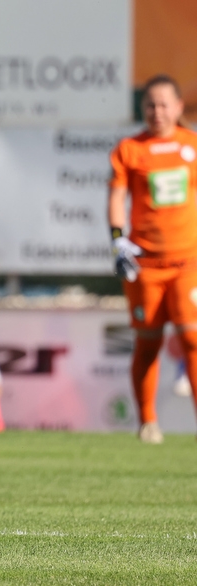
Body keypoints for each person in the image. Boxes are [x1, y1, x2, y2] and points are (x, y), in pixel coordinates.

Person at [108, 74, 197, 444]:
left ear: (178, 107)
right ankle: (147, 422)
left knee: (193, 340)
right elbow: (116, 197)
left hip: (189, 262)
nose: (157, 111)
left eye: (163, 104)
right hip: (146, 264)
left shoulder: (192, 145)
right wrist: (117, 239)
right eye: (150, 105)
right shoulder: (129, 148)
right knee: (148, 342)